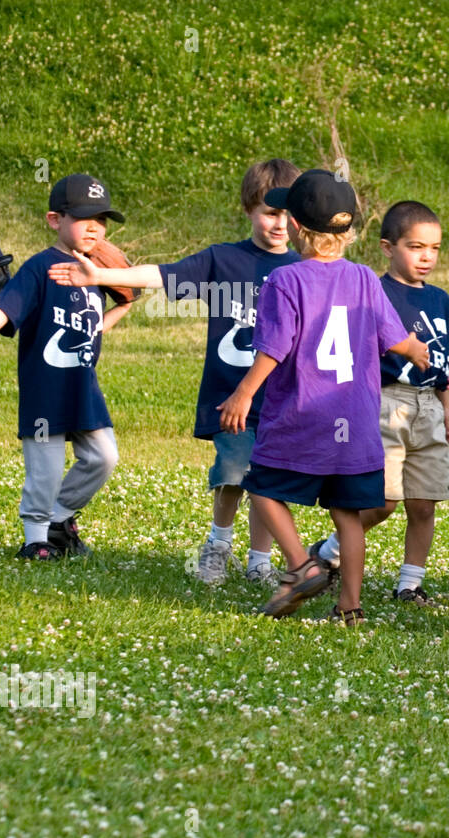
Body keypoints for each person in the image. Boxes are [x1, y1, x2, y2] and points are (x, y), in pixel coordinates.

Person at [49, 160, 301, 585]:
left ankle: (260, 560)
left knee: (270, 481)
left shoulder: (303, 270)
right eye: (268, 212)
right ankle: (218, 544)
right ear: (247, 210)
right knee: (235, 472)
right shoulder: (225, 259)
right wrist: (101, 274)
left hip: (283, 399)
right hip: (232, 396)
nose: (278, 224)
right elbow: (161, 276)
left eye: (287, 215)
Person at [217, 169, 430, 624]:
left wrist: (242, 393)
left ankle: (302, 565)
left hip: (302, 415)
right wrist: (418, 349)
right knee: (348, 516)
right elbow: (396, 339)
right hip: (354, 421)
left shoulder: (285, 280)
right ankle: (350, 608)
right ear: (350, 229)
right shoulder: (365, 279)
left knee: (262, 489)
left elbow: (274, 348)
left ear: (295, 225)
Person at [311, 200, 449, 607]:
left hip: (428, 404)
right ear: (387, 247)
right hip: (384, 402)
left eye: (434, 248)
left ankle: (410, 584)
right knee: (383, 501)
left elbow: (444, 358)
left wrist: (447, 407)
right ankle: (327, 554)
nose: (427, 256)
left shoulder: (441, 300)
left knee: (424, 502)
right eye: (416, 247)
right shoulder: (372, 291)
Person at [0, 174, 132, 560]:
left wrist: (114, 313)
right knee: (46, 470)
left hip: (83, 385)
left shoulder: (94, 271)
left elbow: (109, 309)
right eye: (83, 217)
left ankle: (59, 518)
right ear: (55, 220)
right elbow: (4, 311)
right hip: (45, 388)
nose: (94, 227)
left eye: (102, 220)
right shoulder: (40, 268)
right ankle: (35, 538)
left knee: (104, 457)